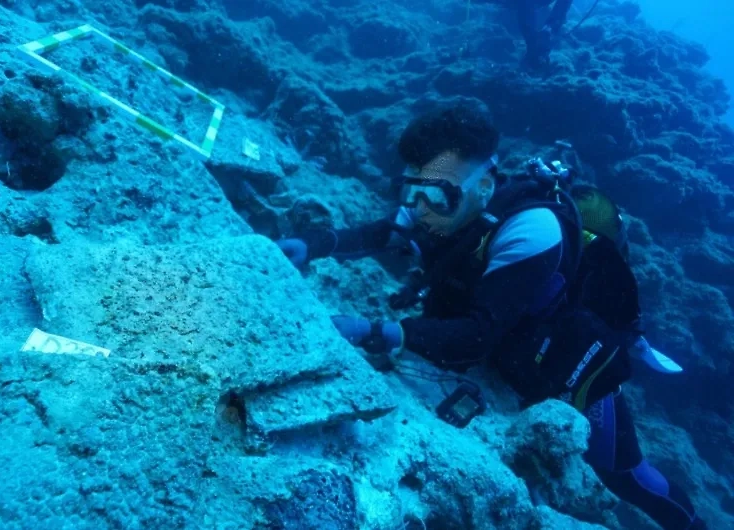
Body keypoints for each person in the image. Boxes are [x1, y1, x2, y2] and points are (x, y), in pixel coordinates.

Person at [274, 103, 706, 529]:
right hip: (492, 348)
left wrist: (374, 330)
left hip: (560, 366)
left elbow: (479, 336)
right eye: (411, 191)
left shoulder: (532, 230)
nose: (421, 209)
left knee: (626, 474)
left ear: (483, 184)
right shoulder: (440, 197)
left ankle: (692, 525)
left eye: (435, 196)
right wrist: (315, 244)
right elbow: (386, 231)